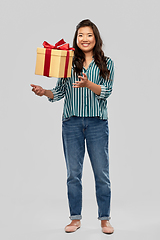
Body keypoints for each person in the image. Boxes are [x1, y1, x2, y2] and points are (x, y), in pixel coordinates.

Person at [31, 19, 114, 234]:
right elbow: (59, 92)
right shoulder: (68, 63)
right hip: (72, 123)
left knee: (101, 174)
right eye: (80, 35)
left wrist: (88, 84)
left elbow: (106, 92)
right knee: (73, 174)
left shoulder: (107, 63)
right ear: (76, 39)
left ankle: (105, 219)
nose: (84, 39)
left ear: (95, 38)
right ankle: (75, 219)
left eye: (89, 35)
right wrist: (44, 92)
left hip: (97, 123)